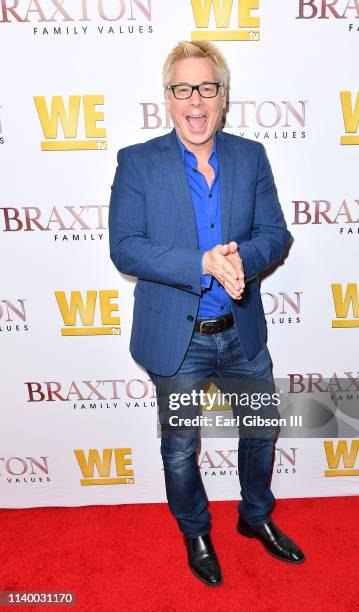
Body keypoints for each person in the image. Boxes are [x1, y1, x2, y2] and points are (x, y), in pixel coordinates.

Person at [108, 40, 305, 587]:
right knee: (179, 448)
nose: (196, 101)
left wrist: (240, 257)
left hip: (242, 333)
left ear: (223, 97)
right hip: (179, 337)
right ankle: (195, 530)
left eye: (207, 88)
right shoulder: (138, 162)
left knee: (261, 430)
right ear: (168, 99)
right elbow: (125, 247)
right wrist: (201, 263)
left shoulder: (251, 156)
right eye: (183, 89)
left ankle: (255, 518)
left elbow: (275, 233)